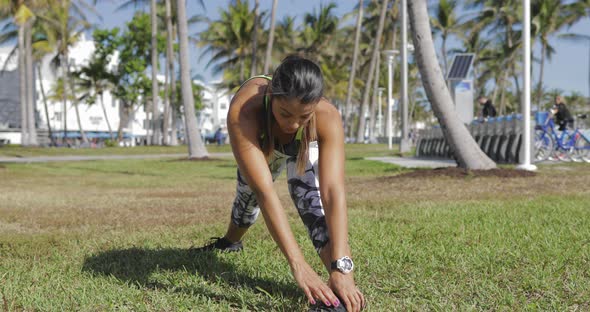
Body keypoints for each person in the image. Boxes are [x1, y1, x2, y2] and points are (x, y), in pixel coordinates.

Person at [195, 55, 366, 311]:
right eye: (285, 113)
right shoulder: (244, 112)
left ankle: (338, 289)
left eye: (303, 116)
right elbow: (265, 192)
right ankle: (230, 242)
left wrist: (342, 265)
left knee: (311, 204)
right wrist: (299, 265)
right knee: (247, 201)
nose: (293, 123)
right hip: (263, 145)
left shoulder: (326, 116)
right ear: (272, 94)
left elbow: (332, 191)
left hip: (303, 148)